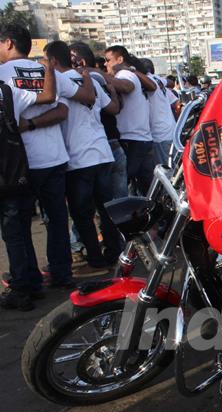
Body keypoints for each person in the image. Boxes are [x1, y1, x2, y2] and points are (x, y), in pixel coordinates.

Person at [0, 24, 94, 290]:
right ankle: (62, 274)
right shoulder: (46, 70)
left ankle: (28, 282)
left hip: (21, 163)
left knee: (17, 226)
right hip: (55, 157)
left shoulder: (3, 75)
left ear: (8, 43)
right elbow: (78, 100)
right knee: (57, 220)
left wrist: (28, 124)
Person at [44, 41, 124, 275]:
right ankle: (115, 253)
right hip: (102, 151)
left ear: (54, 61)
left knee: (82, 213)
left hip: (79, 156)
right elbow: (112, 109)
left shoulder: (58, 81)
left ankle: (96, 262)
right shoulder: (89, 79)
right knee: (106, 209)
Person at [0, 54, 57, 310]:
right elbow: (47, 96)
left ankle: (22, 286)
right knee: (20, 230)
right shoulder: (7, 91)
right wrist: (48, 70)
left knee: (14, 233)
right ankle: (31, 282)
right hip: (15, 169)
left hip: (8, 173)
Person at [70, 42, 129, 199]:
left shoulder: (71, 80)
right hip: (111, 145)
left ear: (80, 62)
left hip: (87, 153)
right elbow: (115, 108)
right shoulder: (101, 80)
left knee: (89, 208)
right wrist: (112, 91)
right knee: (117, 204)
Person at [101, 45, 155, 195]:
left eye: (108, 60)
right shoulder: (129, 73)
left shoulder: (124, 73)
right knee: (146, 189)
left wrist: (99, 75)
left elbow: (127, 87)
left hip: (132, 139)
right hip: (141, 138)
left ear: (120, 59)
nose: (106, 64)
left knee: (122, 183)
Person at [140, 58, 177, 166]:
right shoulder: (158, 79)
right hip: (170, 130)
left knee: (166, 173)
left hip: (159, 134)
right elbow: (175, 99)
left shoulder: (146, 82)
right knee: (173, 168)